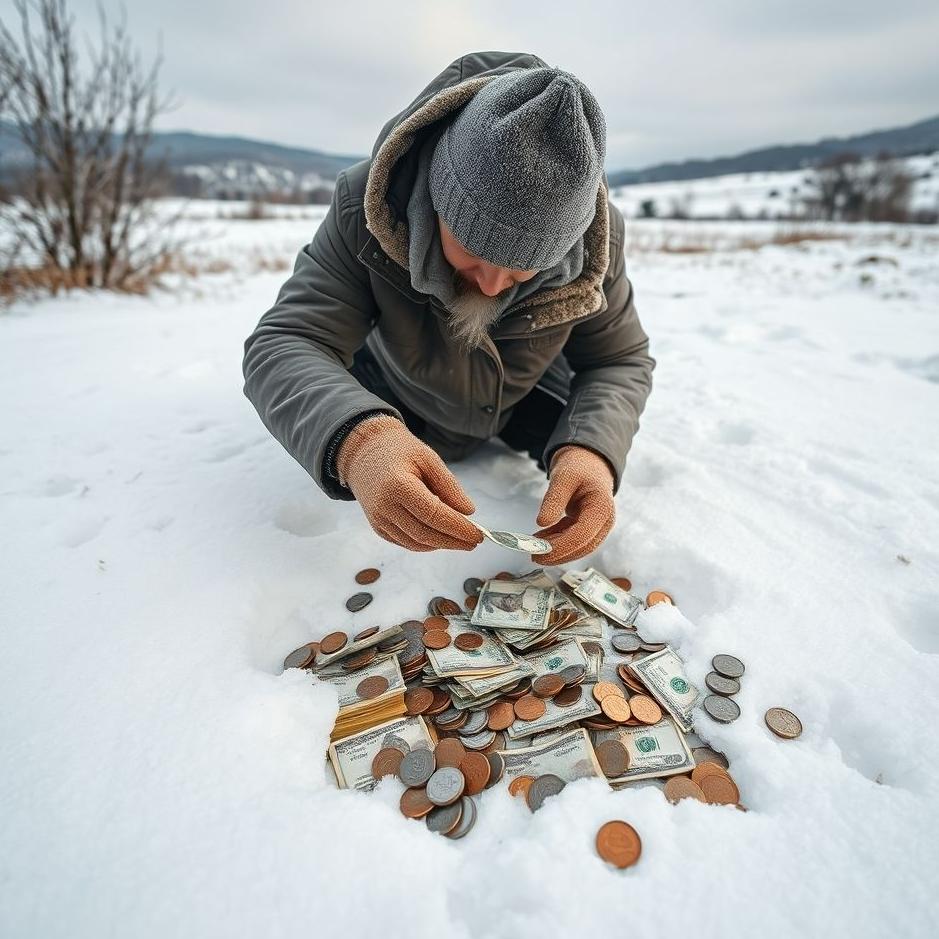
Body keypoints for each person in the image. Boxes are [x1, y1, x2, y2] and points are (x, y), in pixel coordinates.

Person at [242, 50, 655, 566]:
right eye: (474, 252)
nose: (493, 284)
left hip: (519, 401)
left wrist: (592, 451)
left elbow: (619, 360)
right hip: (393, 393)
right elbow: (285, 341)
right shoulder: (364, 204)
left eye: (525, 267)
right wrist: (360, 440)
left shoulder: (597, 242)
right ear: (439, 198)